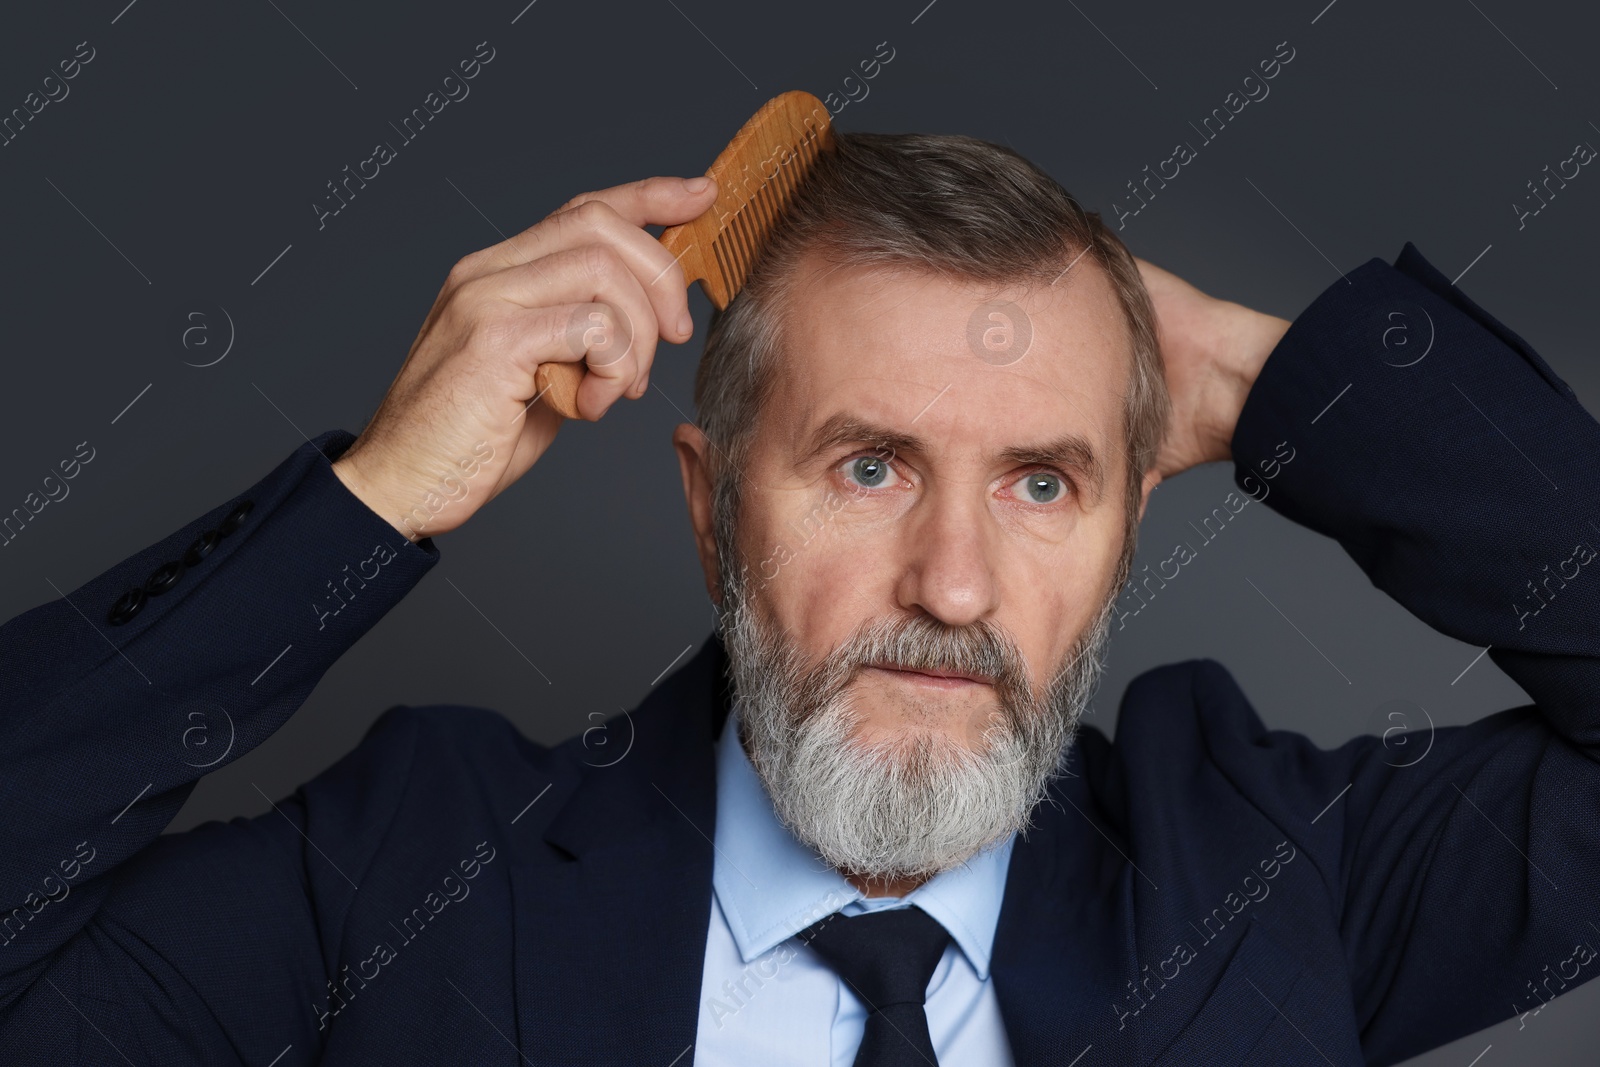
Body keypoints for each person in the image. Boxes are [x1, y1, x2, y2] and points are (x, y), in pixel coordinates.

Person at [0, 132, 1595, 1067]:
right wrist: (377, 499)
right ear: (709, 510)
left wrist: (1273, 383)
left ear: (1124, 528)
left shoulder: (1277, 883)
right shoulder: (410, 872)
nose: (954, 584)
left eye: (1045, 482)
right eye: (870, 467)